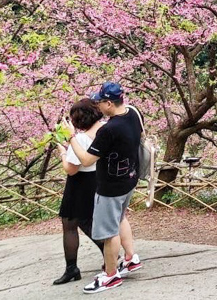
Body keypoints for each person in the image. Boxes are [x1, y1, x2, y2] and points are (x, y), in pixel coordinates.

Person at [64, 82, 144, 294]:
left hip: (110, 186)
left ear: (109, 103)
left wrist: (71, 138)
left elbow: (87, 160)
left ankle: (110, 276)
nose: (97, 105)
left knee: (109, 233)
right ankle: (130, 258)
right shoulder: (133, 114)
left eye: (100, 101)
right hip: (129, 178)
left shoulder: (109, 130)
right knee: (119, 219)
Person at [54, 98, 106, 285]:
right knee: (88, 221)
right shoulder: (105, 131)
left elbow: (71, 169)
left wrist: (62, 152)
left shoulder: (81, 139)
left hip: (79, 183)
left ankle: (72, 268)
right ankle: (109, 256)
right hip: (98, 179)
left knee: (70, 223)